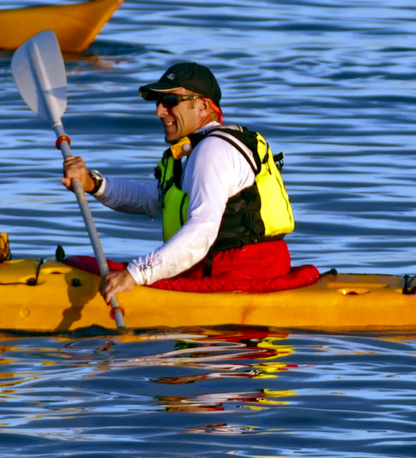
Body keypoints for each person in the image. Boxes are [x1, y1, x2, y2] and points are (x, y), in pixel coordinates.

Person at [60, 61, 315, 304]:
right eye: (159, 102)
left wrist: (135, 274)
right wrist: (93, 183)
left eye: (170, 102)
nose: (160, 111)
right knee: (94, 266)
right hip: (227, 273)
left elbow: (201, 233)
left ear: (204, 106)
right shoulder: (196, 149)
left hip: (240, 280)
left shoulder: (212, 151)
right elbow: (154, 199)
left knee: (88, 267)